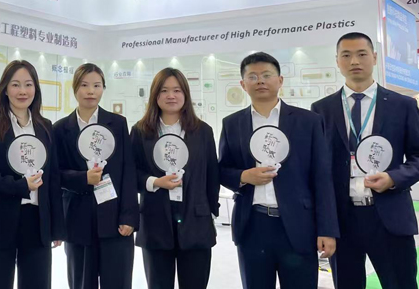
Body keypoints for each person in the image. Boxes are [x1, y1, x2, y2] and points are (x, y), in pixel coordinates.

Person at [218, 52, 338, 289]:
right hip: (252, 225)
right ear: (243, 84)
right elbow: (222, 169)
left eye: (266, 75)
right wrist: (243, 176)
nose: (260, 81)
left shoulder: (308, 121)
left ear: (280, 80)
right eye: (252, 77)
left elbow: (322, 177)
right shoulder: (232, 123)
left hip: (298, 224)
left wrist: (327, 229)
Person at [311, 32, 419, 289]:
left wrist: (394, 178)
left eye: (361, 54)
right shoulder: (321, 109)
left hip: (389, 215)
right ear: (337, 61)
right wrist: (324, 225)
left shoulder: (402, 105)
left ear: (374, 57)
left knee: (401, 283)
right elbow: (317, 169)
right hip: (342, 219)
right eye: (346, 55)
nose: (354, 61)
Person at [0, 60, 65, 289]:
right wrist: (20, 186)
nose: (22, 91)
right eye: (15, 85)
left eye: (28, 84)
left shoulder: (46, 127)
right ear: (5, 89)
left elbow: (53, 178)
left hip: (37, 222)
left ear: (36, 89)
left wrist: (56, 227)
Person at [130, 68, 219, 289]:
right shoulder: (140, 131)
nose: (171, 95)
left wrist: (211, 211)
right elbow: (131, 174)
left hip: (196, 222)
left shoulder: (203, 131)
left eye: (177, 90)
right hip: (155, 221)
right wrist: (154, 182)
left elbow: (212, 175)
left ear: (185, 94)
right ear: (155, 95)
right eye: (164, 90)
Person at [53, 63, 139, 289]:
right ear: (75, 89)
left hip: (115, 220)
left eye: (97, 85)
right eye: (84, 85)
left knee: (118, 282)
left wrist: (129, 216)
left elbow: (128, 171)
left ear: (103, 89)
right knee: (81, 283)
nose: (90, 91)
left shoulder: (117, 124)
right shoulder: (60, 128)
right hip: (77, 221)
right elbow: (56, 174)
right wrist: (83, 178)